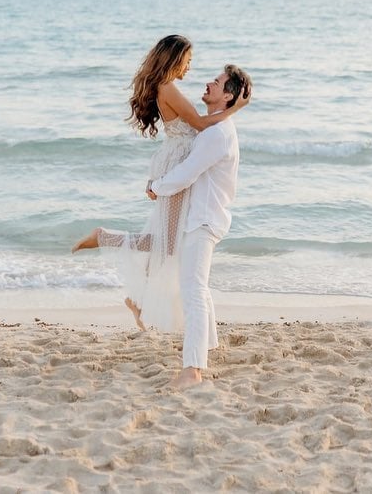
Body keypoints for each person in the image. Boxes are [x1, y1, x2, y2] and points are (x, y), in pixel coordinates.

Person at [71, 35, 247, 332]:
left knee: (169, 239)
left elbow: (199, 127)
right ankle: (108, 244)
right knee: (169, 244)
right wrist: (237, 108)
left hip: (174, 160)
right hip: (176, 163)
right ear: (174, 59)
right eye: (187, 61)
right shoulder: (169, 89)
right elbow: (202, 125)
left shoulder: (165, 88)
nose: (189, 68)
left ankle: (136, 295)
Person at [146, 64, 251, 390]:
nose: (208, 83)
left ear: (228, 95)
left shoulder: (217, 134)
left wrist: (156, 185)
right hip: (206, 217)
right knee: (199, 288)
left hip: (203, 220)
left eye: (217, 82)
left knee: (192, 291)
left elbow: (188, 172)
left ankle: (192, 371)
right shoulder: (217, 130)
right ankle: (208, 347)